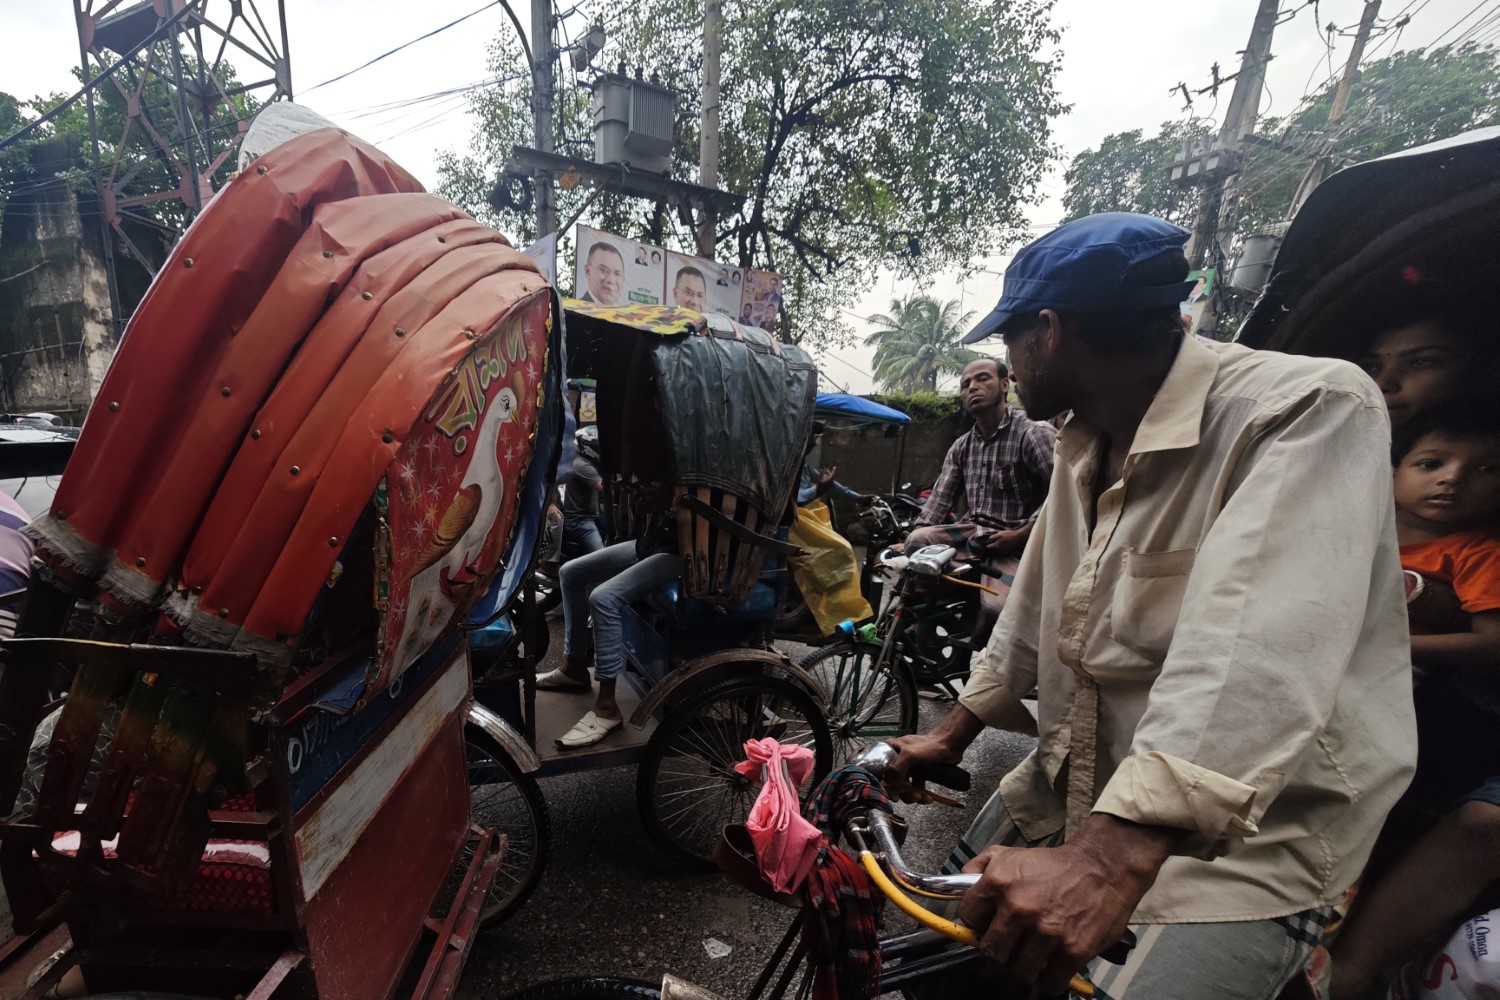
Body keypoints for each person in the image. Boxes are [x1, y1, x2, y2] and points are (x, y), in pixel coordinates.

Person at [887, 212, 1416, 998]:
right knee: (942, 963)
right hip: (1084, 783)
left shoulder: (1305, 407)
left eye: (1009, 342)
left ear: (1050, 331)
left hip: (1248, 841)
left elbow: (1250, 653)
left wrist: (1105, 863)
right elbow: (1035, 604)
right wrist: (951, 734)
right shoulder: (1083, 445)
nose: (1004, 363)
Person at [1323, 404, 1500, 998]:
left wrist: (1395, 642)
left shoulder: (1477, 553)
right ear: (1393, 470)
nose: (1452, 478)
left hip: (1404, 705)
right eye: (1432, 464)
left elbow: (1490, 645)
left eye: (1485, 471)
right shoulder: (1355, 522)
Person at [536, 487, 680, 749]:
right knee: (570, 572)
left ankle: (607, 707)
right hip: (655, 544)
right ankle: (575, 666)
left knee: (603, 598)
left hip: (689, 554)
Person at [905, 358, 1055, 559]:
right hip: (973, 533)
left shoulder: (1034, 433)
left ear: (1004, 385)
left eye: (982, 379)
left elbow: (1063, 492)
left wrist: (1021, 535)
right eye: (966, 385)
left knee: (999, 590)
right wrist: (912, 538)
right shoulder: (961, 447)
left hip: (1025, 533)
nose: (973, 387)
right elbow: (939, 499)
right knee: (917, 543)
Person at [557, 425, 606, 558]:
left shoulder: (586, 462)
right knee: (602, 558)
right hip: (579, 521)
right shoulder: (581, 465)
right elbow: (604, 487)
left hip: (591, 516)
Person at [580, 241, 625, 305]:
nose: (611, 280)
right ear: (588, 271)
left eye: (617, 273)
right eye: (603, 270)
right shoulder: (573, 312)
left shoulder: (625, 314)